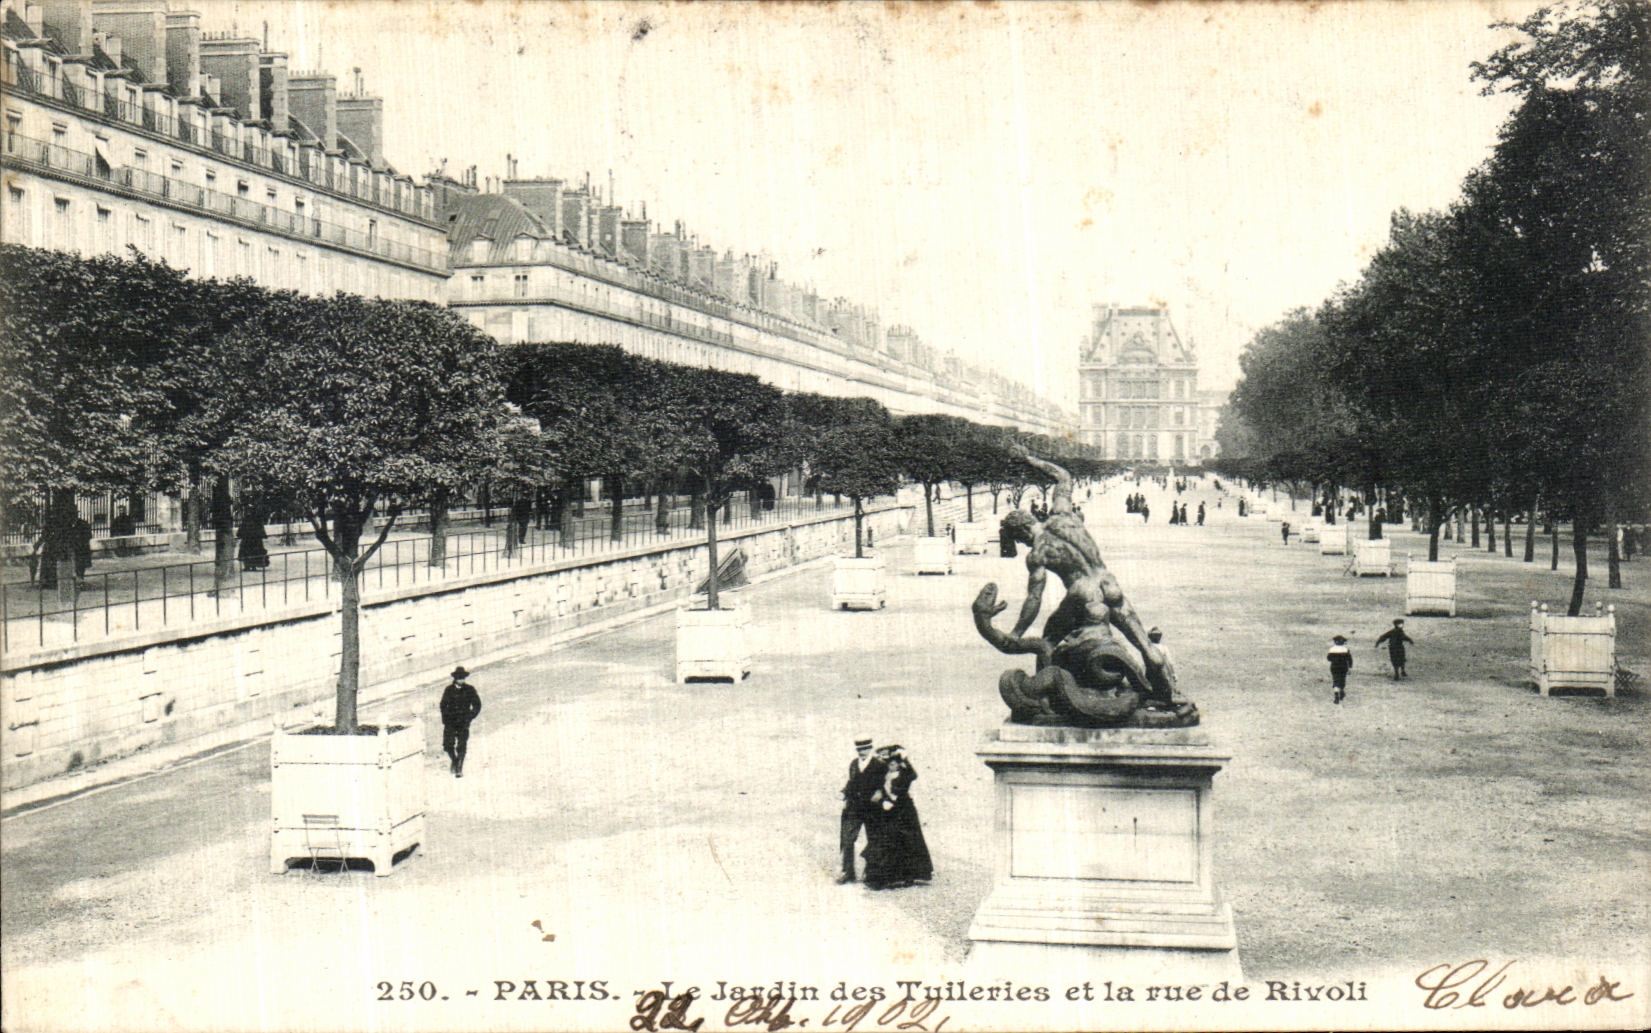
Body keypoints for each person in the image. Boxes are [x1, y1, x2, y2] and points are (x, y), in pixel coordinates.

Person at [976, 455, 1193, 727]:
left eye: (1018, 539)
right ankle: (1168, 697)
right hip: (1109, 584)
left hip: (1082, 593)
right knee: (1145, 645)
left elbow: (1034, 598)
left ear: (1020, 532)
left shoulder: (1038, 553)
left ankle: (1048, 699)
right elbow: (1063, 476)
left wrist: (1017, 632)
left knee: (1049, 639)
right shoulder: (1063, 516)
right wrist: (1028, 459)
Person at [862, 745, 932, 890]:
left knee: (907, 842)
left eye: (894, 763)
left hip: (904, 812)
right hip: (889, 812)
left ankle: (908, 876)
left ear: (899, 764)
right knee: (887, 842)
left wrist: (905, 758)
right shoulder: (885, 776)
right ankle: (885, 877)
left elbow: (913, 775)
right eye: (889, 764)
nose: (891, 766)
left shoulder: (905, 774)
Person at [838, 736, 886, 884]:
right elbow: (851, 782)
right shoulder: (854, 764)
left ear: (870, 748)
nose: (862, 752)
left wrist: (881, 792)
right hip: (854, 807)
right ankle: (848, 872)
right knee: (847, 839)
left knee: (874, 840)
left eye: (864, 749)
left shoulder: (880, 764)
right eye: (859, 749)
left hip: (872, 809)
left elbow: (887, 782)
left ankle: (872, 874)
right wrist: (844, 792)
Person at [439, 666, 482, 777]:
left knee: (462, 745)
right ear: (455, 678)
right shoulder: (449, 690)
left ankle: (459, 768)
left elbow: (477, 704)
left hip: (463, 722)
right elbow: (443, 705)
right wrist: (445, 719)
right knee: (448, 745)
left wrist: (470, 716)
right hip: (450, 722)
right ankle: (454, 760)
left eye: (463, 678)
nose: (461, 680)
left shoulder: (470, 689)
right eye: (459, 678)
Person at [1327, 634, 1353, 704]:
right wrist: (1350, 667)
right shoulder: (1346, 649)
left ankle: (1336, 695)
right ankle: (1341, 690)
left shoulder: (1332, 649)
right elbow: (1350, 660)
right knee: (1342, 680)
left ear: (1335, 642)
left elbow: (1328, 658)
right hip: (1343, 667)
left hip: (1334, 667)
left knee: (1335, 680)